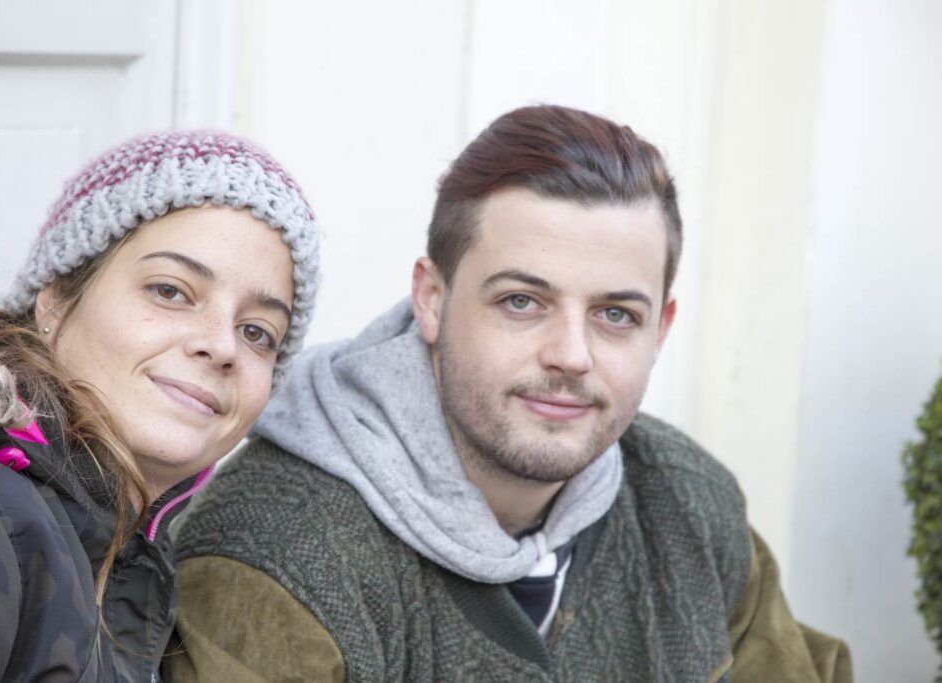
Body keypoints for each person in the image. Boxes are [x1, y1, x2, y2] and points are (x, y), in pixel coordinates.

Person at [169, 106, 851, 682]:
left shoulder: (687, 504)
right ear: (432, 300)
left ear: (661, 330)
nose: (570, 356)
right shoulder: (276, 553)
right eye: (523, 301)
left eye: (617, 314)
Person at [0, 131, 319, 682]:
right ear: (57, 298)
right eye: (171, 291)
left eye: (257, 331)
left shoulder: (130, 554)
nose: (223, 345)